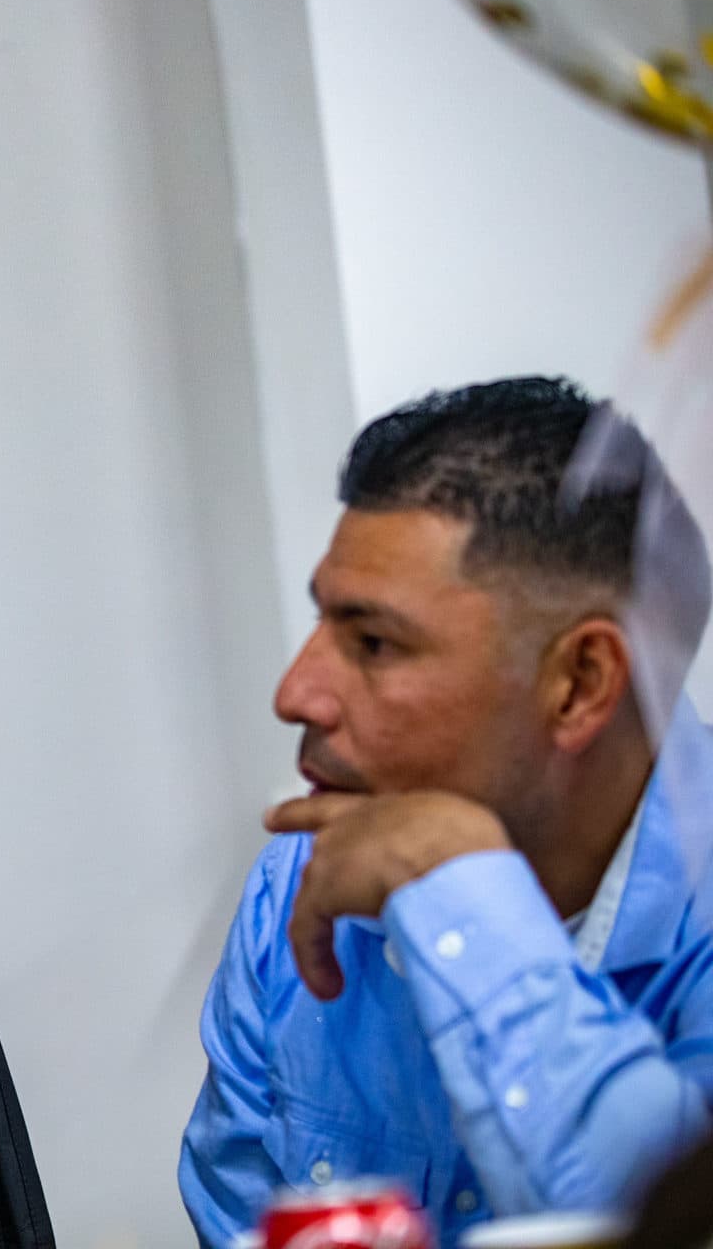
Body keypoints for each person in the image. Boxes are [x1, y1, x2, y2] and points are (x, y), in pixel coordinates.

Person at [178, 376, 713, 1246]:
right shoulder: (297, 887)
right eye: (321, 624)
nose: (295, 693)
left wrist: (462, 889)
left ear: (579, 684)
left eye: (376, 643)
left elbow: (670, 1217)